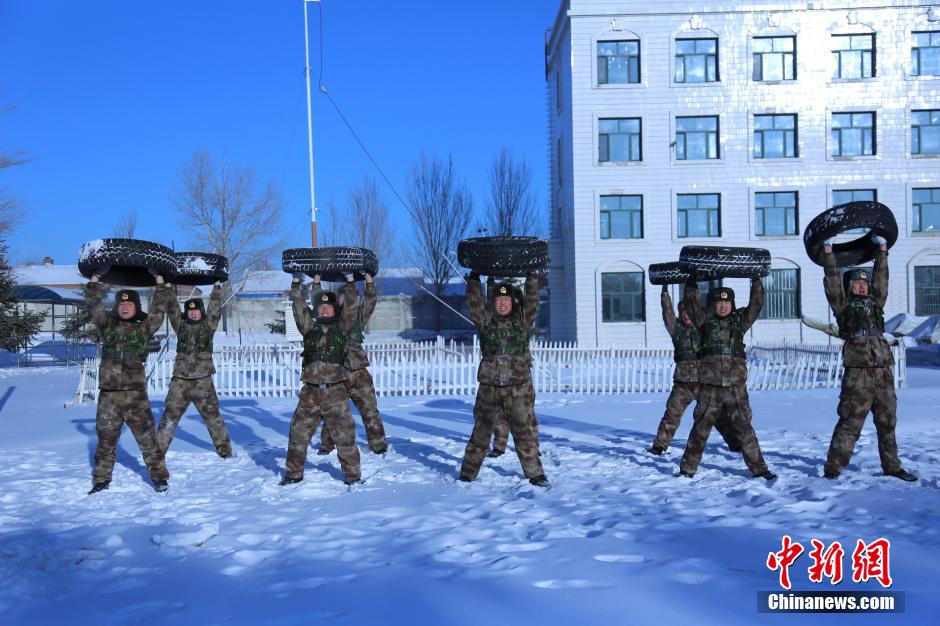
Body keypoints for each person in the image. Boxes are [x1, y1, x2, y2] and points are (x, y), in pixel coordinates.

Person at [822, 236, 917, 481]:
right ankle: (833, 468)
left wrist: (882, 250)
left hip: (883, 371)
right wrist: (828, 251)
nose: (862, 287)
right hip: (859, 373)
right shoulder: (842, 306)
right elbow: (832, 282)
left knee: (888, 422)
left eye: (864, 284)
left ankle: (892, 466)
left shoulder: (876, 304)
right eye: (857, 283)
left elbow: (881, 280)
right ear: (849, 286)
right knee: (850, 422)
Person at [86, 268, 175, 494]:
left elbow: (159, 310)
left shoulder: (144, 327)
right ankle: (102, 478)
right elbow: (94, 307)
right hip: (109, 395)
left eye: (130, 304)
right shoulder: (107, 326)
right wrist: (95, 280)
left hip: (135, 396)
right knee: (105, 440)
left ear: (136, 307)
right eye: (121, 304)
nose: (125, 307)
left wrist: (159, 280)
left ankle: (159, 477)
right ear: (117, 307)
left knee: (147, 440)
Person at [678, 279, 777, 481]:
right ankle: (687, 469)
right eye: (719, 303)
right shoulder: (705, 322)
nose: (723, 306)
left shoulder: (739, 321)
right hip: (710, 387)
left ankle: (759, 469)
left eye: (727, 302)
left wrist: (756, 280)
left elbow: (756, 305)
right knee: (700, 429)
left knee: (745, 430)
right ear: (712, 305)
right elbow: (691, 305)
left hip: (735, 387)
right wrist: (691, 280)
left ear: (732, 304)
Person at [459, 273, 547, 486]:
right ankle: (468, 473)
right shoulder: (485, 321)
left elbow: (532, 301)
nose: (502, 303)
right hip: (489, 388)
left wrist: (531, 277)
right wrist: (473, 281)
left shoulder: (522, 321)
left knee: (523, 431)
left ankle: (535, 473)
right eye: (498, 300)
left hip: (516, 388)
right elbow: (475, 303)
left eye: (506, 300)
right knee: (480, 432)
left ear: (513, 302)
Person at [281, 274, 362, 486]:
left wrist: (351, 283)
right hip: (310, 394)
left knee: (345, 438)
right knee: (298, 434)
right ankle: (293, 475)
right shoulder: (309, 328)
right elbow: (298, 307)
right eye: (321, 308)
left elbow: (352, 306)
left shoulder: (342, 328)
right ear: (317, 310)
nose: (325, 310)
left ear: (335, 310)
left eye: (329, 308)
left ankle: (353, 477)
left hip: (336, 393)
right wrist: (296, 284)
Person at [650, 284, 740, 455]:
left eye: (690, 311)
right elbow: (667, 313)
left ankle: (735, 443)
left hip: (704, 382)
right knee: (672, 415)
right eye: (683, 312)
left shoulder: (705, 329)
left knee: (718, 415)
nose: (687, 315)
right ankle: (659, 446)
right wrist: (664, 294)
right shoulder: (676, 330)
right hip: (682, 385)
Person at [155, 282, 233, 458]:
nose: (193, 312)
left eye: (196, 309)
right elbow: (173, 309)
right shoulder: (180, 325)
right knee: (169, 418)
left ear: (201, 311)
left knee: (213, 417)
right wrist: (168, 288)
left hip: (203, 381)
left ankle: (225, 452)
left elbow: (215, 310)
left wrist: (216, 289)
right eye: (189, 310)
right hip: (180, 381)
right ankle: (157, 453)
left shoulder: (208, 325)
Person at [318, 273, 388, 455]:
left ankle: (378, 445)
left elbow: (370, 302)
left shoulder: (358, 317)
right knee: (332, 411)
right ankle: (326, 446)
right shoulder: (328, 320)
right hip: (336, 373)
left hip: (358, 372)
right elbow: (318, 302)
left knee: (370, 410)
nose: (347, 300)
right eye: (344, 297)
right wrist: (316, 282)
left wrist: (369, 282)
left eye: (351, 297)